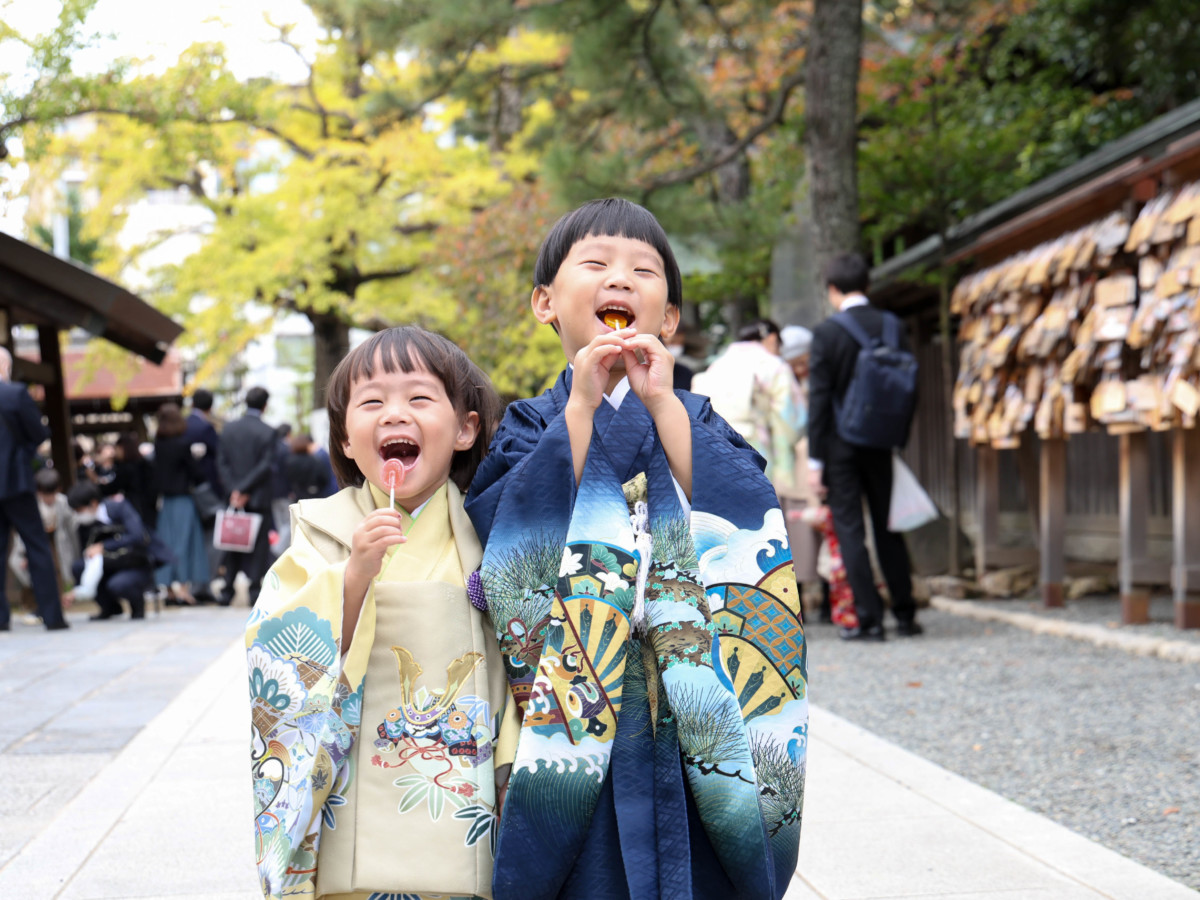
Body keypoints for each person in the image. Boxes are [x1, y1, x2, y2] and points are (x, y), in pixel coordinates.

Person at [465, 198, 807, 900]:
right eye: (595, 263)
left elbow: (746, 517)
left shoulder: (695, 416)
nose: (620, 278)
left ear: (669, 318)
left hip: (695, 701)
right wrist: (582, 410)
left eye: (643, 271)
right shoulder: (533, 422)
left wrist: (663, 405)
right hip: (579, 698)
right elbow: (504, 531)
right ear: (545, 303)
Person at [244, 326, 513, 900]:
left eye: (419, 397)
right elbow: (279, 653)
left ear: (465, 429)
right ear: (345, 439)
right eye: (371, 402)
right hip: (353, 796)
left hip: (459, 792)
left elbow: (521, 660)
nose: (394, 413)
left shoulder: (492, 531)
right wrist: (353, 577)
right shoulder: (323, 531)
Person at [807, 251, 920, 641]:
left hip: (840, 444)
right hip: (880, 441)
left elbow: (819, 399)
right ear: (867, 285)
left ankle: (869, 620)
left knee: (851, 529)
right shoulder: (892, 326)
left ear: (832, 290)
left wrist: (815, 460)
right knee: (888, 525)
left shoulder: (827, 333)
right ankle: (905, 614)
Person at [692, 318, 805, 489]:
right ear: (772, 339)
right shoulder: (773, 365)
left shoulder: (717, 364)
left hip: (714, 445)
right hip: (755, 444)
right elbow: (788, 418)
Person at [0, 348, 68, 631]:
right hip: (16, 480)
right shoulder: (15, 394)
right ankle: (52, 616)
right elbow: (39, 434)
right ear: (6, 366)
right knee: (37, 545)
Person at [65, 480, 167, 620]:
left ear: (93, 503)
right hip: (109, 563)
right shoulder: (85, 525)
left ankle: (137, 606)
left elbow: (138, 536)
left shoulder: (119, 508)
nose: (78, 514)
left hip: (134, 563)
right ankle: (109, 607)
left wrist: (104, 546)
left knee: (118, 584)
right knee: (78, 566)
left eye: (79, 510)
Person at [216, 386, 277, 607]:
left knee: (232, 542)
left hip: (233, 497)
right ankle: (254, 591)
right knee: (259, 546)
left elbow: (221, 463)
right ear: (265, 405)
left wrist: (235, 490)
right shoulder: (268, 431)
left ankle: (227, 590)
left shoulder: (229, 429)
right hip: (257, 497)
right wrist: (245, 489)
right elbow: (265, 466)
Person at [152, 403, 209, 605]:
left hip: (165, 502)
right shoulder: (183, 445)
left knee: (167, 543)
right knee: (185, 544)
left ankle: (168, 591)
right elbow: (197, 474)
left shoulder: (158, 444)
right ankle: (184, 590)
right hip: (183, 500)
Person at [184, 387, 224, 601]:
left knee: (192, 539)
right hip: (208, 492)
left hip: (184, 492)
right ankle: (203, 584)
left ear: (192, 404)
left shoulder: (182, 425)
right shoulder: (206, 428)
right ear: (210, 406)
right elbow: (218, 459)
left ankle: (193, 585)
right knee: (213, 537)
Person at [105, 432, 157, 532]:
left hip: (136, 507)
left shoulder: (126, 467)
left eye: (117, 449)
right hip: (149, 508)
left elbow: (113, 487)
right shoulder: (144, 463)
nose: (115, 453)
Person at [269, 423, 294, 557]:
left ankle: (281, 551)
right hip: (285, 491)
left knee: (280, 522)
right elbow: (288, 472)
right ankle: (278, 550)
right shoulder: (286, 449)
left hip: (272, 491)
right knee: (288, 522)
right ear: (288, 433)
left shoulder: (271, 447)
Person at [283, 433, 329, 502]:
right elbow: (324, 478)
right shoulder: (315, 460)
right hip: (315, 495)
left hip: (297, 495)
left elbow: (286, 479)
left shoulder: (289, 462)